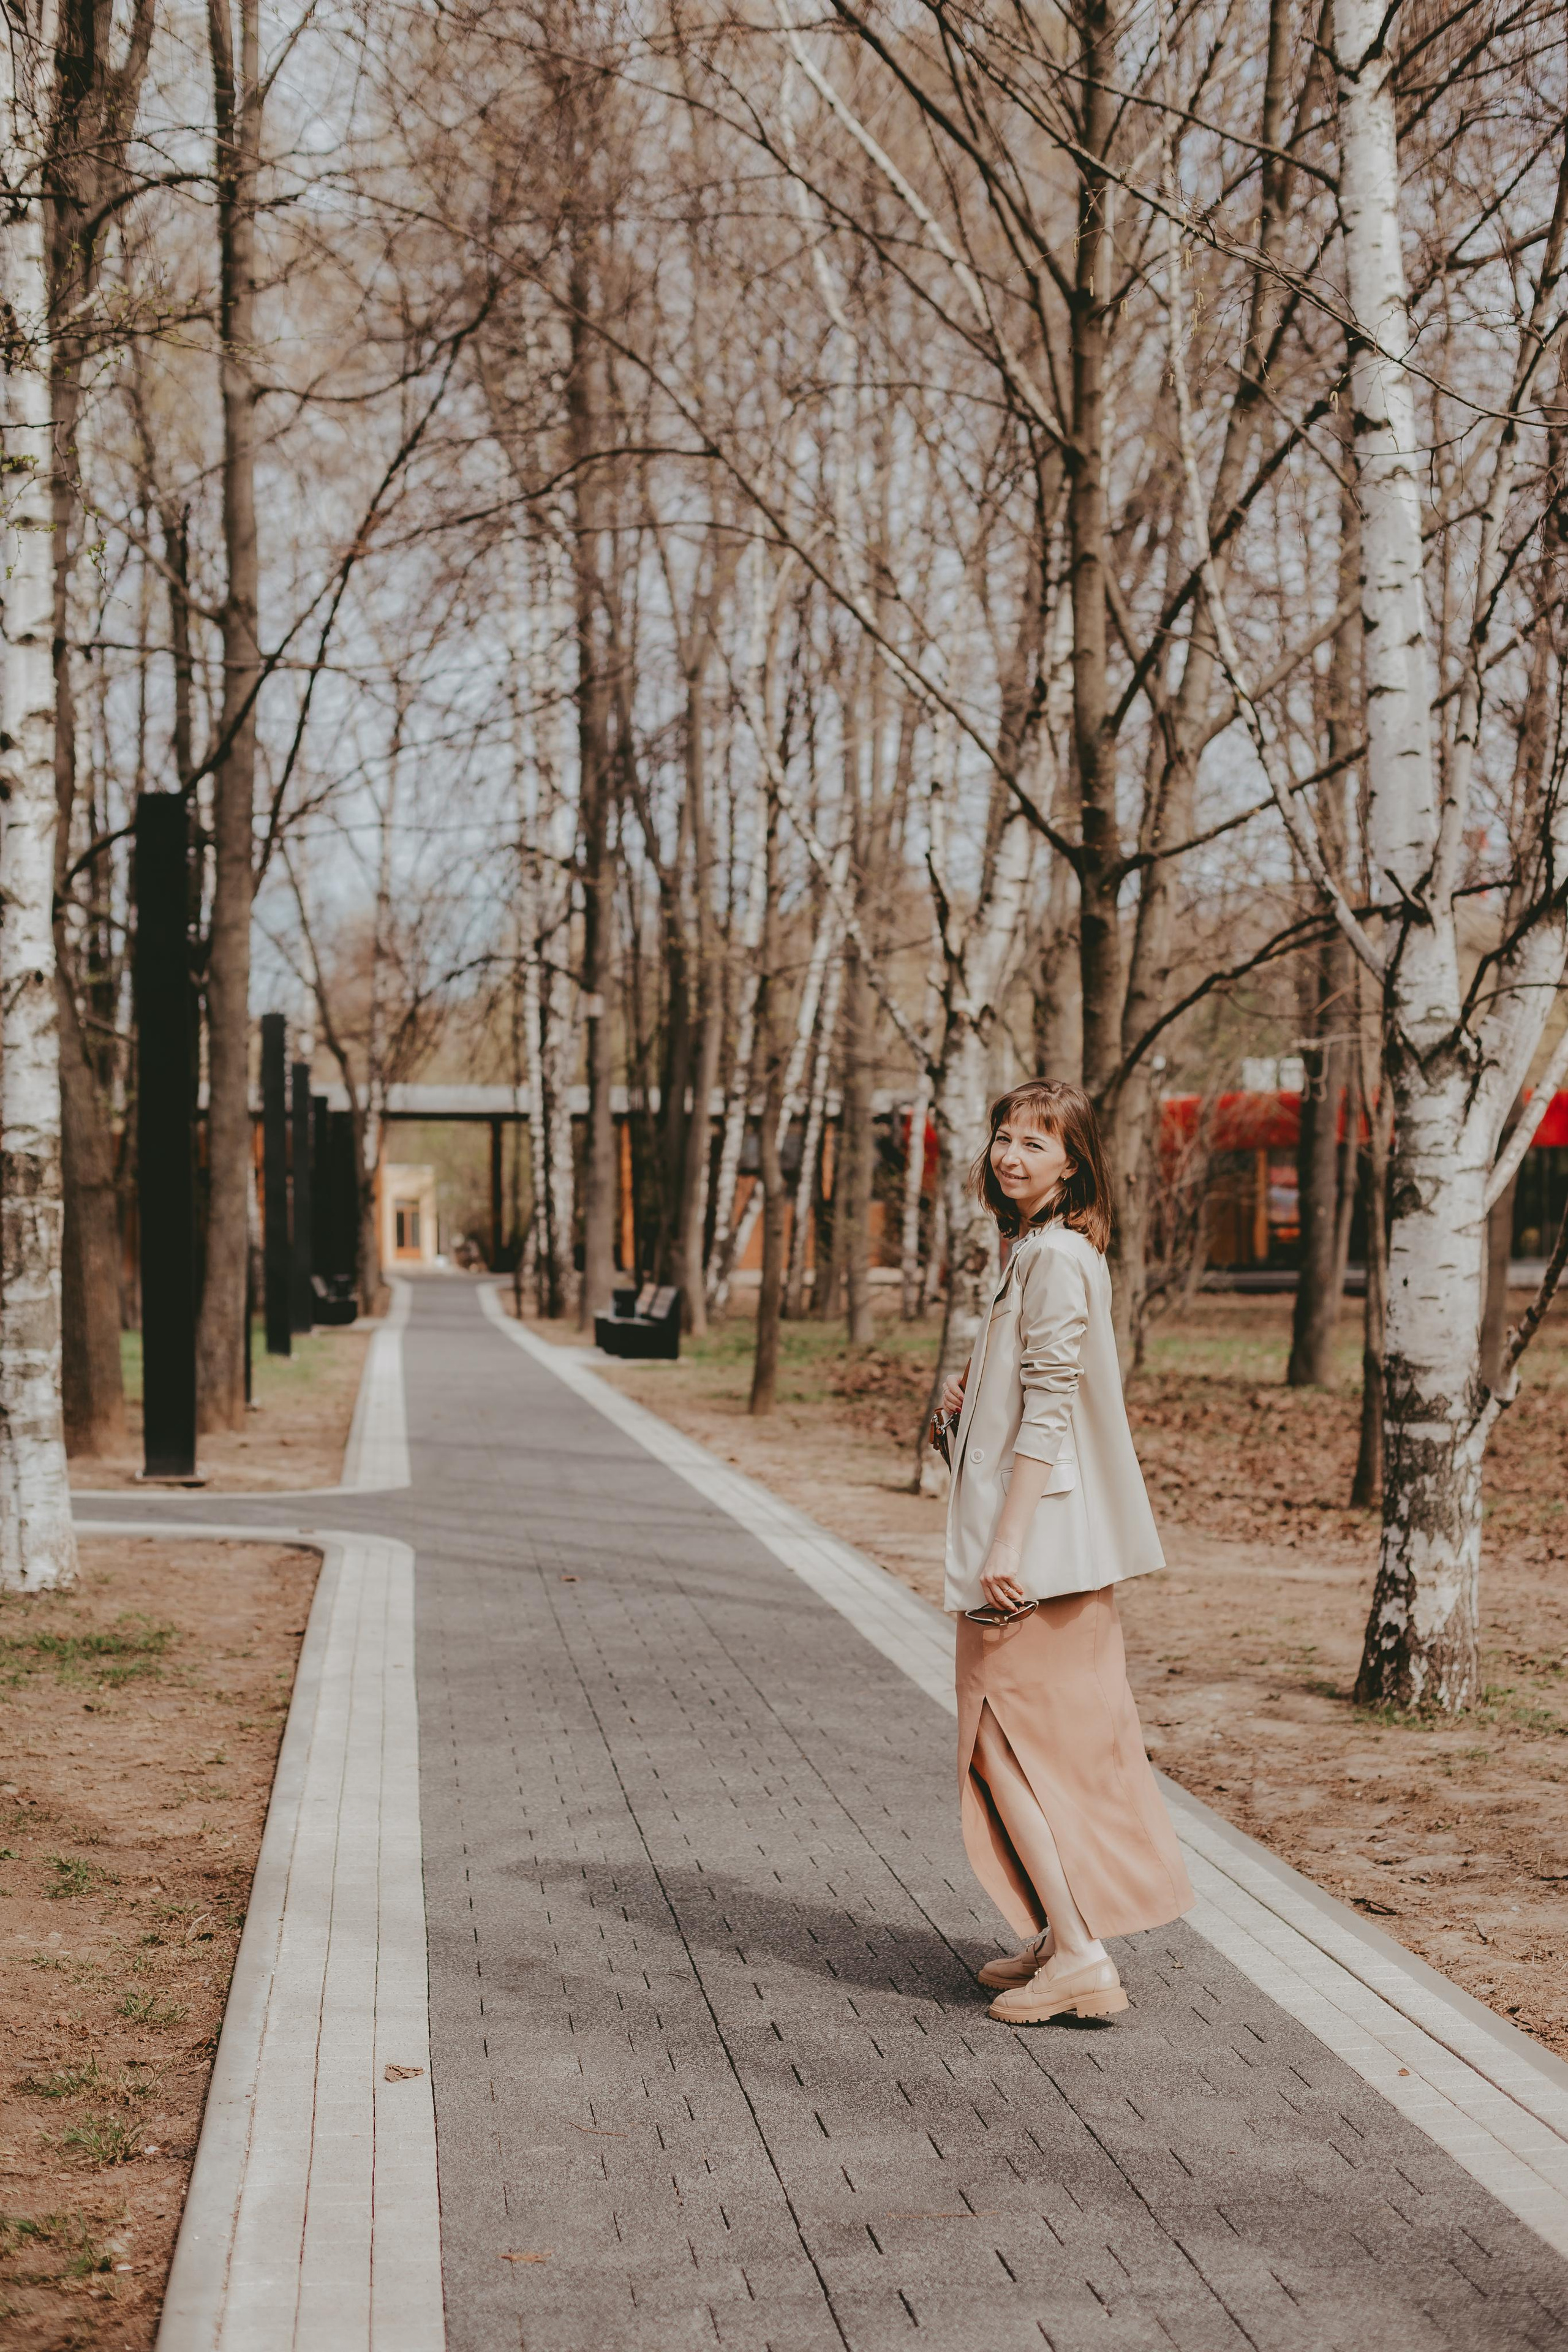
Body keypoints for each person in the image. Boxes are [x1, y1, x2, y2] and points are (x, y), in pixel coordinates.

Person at [932, 1079, 1193, 2025]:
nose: (1011, 1156)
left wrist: (1009, 1547)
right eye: (1004, 1137)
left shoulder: (1055, 1259)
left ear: (1074, 1163)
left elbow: (1050, 1412)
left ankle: (1081, 1953)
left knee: (1004, 1746)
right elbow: (1030, 1402)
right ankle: (1058, 1931)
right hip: (1035, 1545)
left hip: (1031, 1558)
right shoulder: (1032, 1252)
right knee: (1038, 1747)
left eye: (1036, 1145)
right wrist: (962, 1422)